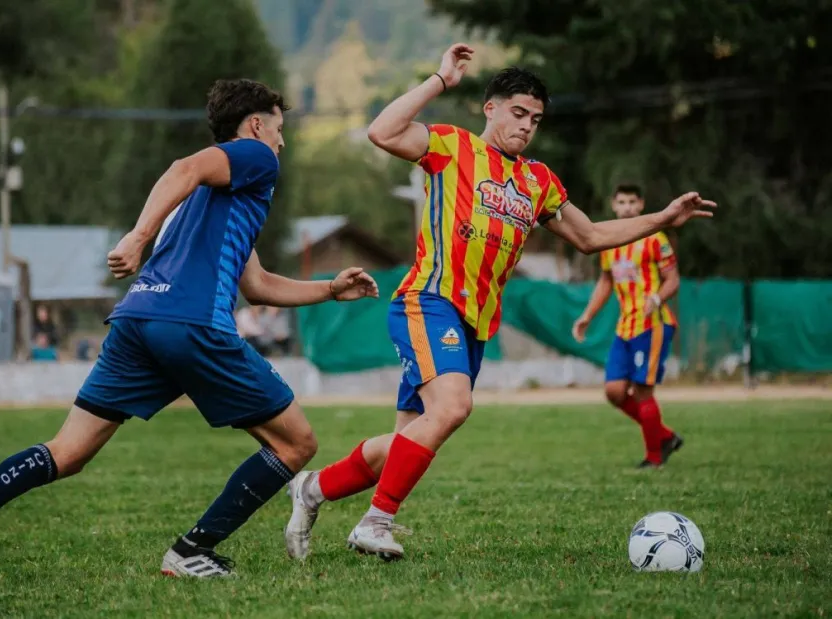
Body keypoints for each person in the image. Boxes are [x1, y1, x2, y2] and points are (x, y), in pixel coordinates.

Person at [0, 78, 380, 585]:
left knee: (68, 451)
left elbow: (256, 285)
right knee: (296, 444)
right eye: (280, 129)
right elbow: (185, 167)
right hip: (192, 324)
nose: (283, 141)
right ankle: (192, 550)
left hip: (136, 321)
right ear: (256, 125)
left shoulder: (214, 202)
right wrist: (136, 237)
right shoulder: (255, 158)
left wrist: (329, 288)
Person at [283, 44, 716, 563]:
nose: (527, 125)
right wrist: (440, 79)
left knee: (404, 442)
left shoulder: (537, 181)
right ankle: (376, 522)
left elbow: (592, 235)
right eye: (517, 112)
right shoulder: (451, 146)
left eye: (535, 118)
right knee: (453, 407)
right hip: (429, 301)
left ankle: (312, 489)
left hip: (475, 324)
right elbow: (382, 131)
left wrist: (663, 218)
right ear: (490, 108)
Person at [572, 184, 684, 468]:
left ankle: (654, 458)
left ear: (641, 204)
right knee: (614, 391)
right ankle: (665, 435)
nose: (627, 207)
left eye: (632, 202)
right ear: (613, 206)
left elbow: (673, 279)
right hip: (626, 326)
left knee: (642, 391)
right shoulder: (610, 241)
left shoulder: (656, 239)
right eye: (621, 202)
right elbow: (606, 281)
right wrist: (587, 315)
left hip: (653, 324)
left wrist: (657, 297)